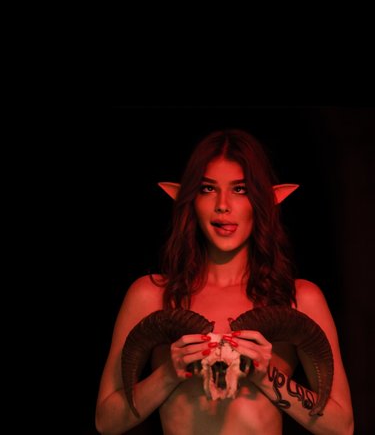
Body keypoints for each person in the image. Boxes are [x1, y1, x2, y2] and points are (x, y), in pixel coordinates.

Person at [95, 129, 354, 435]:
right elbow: (106, 422)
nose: (222, 205)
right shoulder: (150, 295)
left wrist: (265, 377)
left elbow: (341, 426)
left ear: (265, 199)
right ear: (189, 199)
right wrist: (168, 374)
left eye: (240, 189)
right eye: (207, 189)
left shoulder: (299, 298)